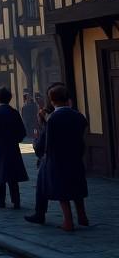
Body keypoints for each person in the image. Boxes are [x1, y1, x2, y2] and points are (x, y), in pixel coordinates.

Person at [25, 84, 89, 230]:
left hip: (57, 159)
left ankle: (68, 221)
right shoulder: (78, 116)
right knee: (76, 187)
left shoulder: (53, 119)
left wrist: (38, 147)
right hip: (75, 157)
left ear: (52, 101)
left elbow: (47, 143)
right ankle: (82, 215)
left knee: (62, 191)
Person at [0, 86, 28, 209]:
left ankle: (0, 200)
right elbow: (23, 132)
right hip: (12, 148)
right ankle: (16, 200)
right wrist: (15, 140)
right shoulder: (14, 113)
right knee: (13, 176)